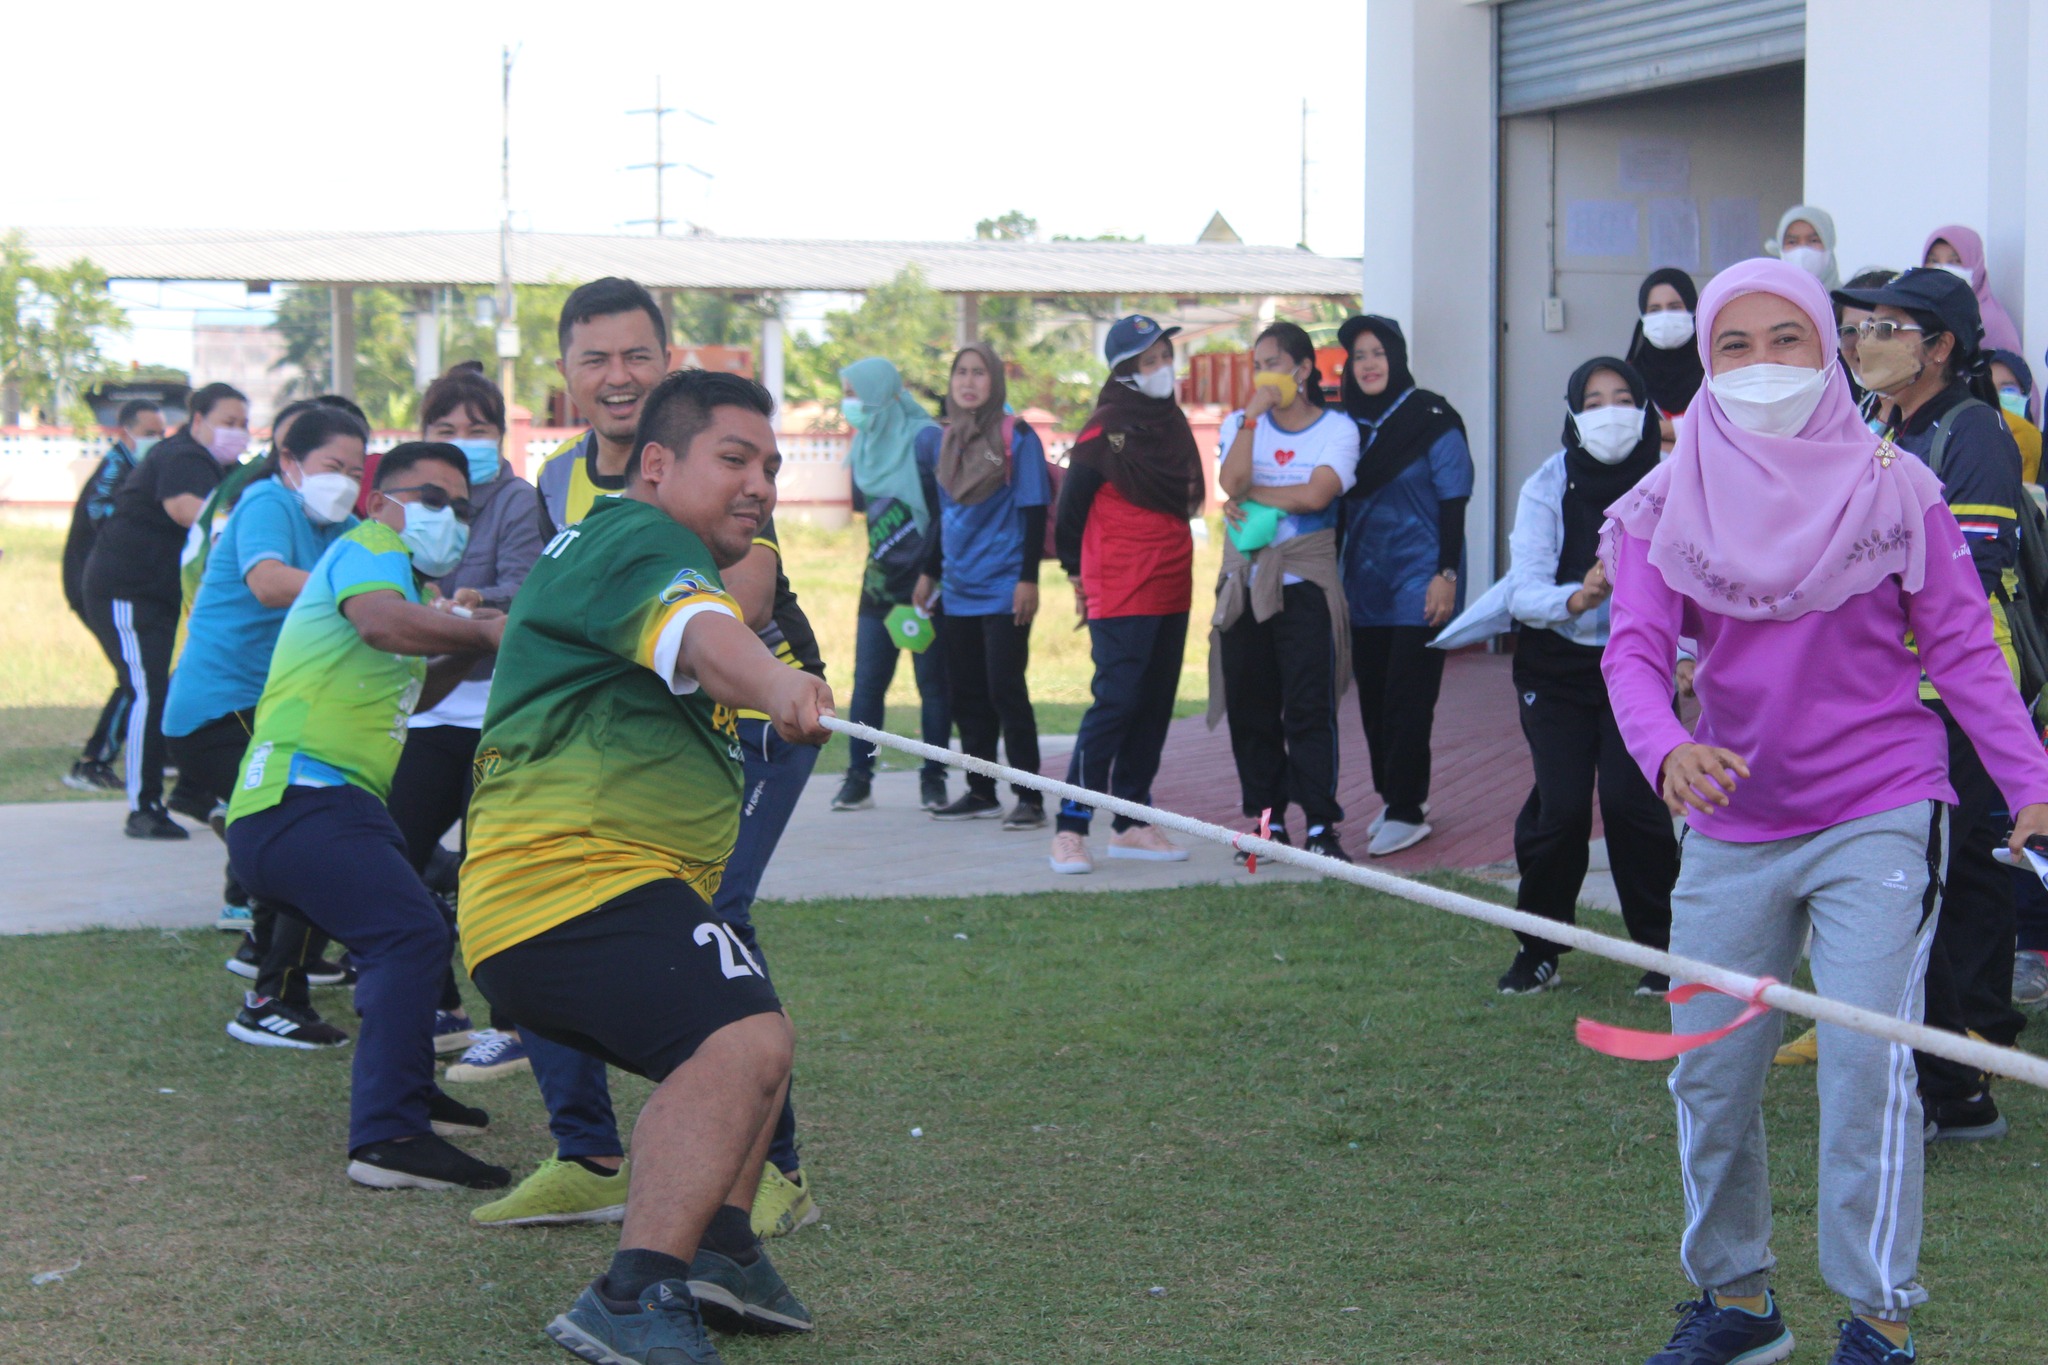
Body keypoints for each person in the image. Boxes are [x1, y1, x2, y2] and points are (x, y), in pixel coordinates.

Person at [1603, 258, 2048, 1365]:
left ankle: (1877, 1320)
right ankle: (1737, 1305)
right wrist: (1667, 749)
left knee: (1863, 1066)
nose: (1761, 366)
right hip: (1731, 824)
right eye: (1732, 347)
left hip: (1879, 810)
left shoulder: (1898, 487)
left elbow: (1963, 653)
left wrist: (2032, 786)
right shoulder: (1662, 502)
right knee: (1707, 1072)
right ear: (1703, 361)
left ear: (1827, 348)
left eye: (1786, 339)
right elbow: (1633, 652)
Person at [459, 369, 832, 1360]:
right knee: (740, 1045)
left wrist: (766, 687)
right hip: (564, 880)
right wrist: (777, 680)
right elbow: (707, 641)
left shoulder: (640, 552)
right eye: (734, 459)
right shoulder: (639, 538)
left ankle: (716, 1246)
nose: (759, 484)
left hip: (591, 884)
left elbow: (695, 644)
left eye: (772, 466)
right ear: (658, 465)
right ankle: (631, 1294)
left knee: (764, 1041)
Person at [223, 441, 511, 1191]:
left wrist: (470, 640)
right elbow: (385, 626)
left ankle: (408, 1095)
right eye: (435, 498)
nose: (451, 518)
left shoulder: (395, 575)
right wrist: (481, 631)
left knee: (417, 924)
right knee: (409, 933)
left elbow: (414, 687)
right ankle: (387, 1137)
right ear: (382, 498)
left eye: (463, 507)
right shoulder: (372, 547)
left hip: (319, 802)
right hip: (303, 795)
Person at [1830, 266, 2032, 1141]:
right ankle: (1933, 1070)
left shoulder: (1974, 428)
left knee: (1946, 886)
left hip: (1954, 693)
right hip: (1890, 694)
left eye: (1887, 326)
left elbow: (1971, 576)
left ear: (1940, 345)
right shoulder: (1883, 423)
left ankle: (1959, 1077)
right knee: (1903, 885)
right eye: (1863, 325)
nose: (1866, 341)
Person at [153, 404, 370, 1047]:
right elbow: (271, 584)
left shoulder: (343, 527)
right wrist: (361, 591)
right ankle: (270, 999)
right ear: (289, 463)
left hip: (272, 713)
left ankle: (267, 955)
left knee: (301, 829)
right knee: (307, 832)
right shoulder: (268, 506)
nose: (345, 481)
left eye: (356, 470)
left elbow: (389, 583)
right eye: (333, 466)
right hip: (217, 713)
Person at [1476, 358, 1675, 996]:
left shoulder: (1672, 481)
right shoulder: (1547, 483)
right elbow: (1523, 590)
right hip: (1556, 668)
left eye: (1623, 397)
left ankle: (1665, 953)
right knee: (1560, 810)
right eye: (1593, 401)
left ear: (1645, 411)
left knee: (1631, 804)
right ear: (1572, 414)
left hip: (1639, 668)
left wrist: (1693, 654)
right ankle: (1539, 949)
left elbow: (1699, 577)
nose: (1609, 411)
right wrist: (1580, 598)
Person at [1049, 313, 1208, 874]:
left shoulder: (1172, 423)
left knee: (1155, 701)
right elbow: (1069, 511)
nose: (1164, 367)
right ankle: (1070, 827)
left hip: (1172, 579)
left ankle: (1131, 821)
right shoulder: (1104, 428)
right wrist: (1074, 572)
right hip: (1119, 583)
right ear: (1126, 371)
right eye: (1150, 360)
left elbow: (1190, 497)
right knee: (1115, 702)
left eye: (1166, 356)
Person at [1210, 321, 1360, 863]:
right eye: (1256, 364)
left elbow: (1317, 495)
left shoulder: (1336, 429)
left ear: (1302, 370)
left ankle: (1321, 826)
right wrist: (1251, 419)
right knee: (1251, 709)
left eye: (1272, 363)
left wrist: (1259, 497)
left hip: (1305, 587)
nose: (1262, 374)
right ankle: (1268, 825)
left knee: (1307, 708)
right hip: (1246, 586)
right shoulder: (1239, 423)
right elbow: (1232, 485)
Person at [81, 381, 249, 838]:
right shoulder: (183, 457)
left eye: (244, 424)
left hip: (160, 597)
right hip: (126, 591)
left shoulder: (220, 467)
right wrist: (244, 527)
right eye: (227, 423)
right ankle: (142, 806)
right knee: (148, 692)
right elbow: (182, 509)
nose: (238, 433)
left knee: (178, 689)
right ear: (198, 421)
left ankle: (191, 792)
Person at [1336, 314, 1475, 857]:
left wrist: (1447, 575)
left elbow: (1453, 501)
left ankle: (1407, 806)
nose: (1368, 364)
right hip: (1365, 582)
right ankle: (1394, 796)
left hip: (1422, 579)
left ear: (1397, 357)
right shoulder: (1345, 424)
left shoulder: (1432, 417)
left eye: (1378, 353)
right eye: (1359, 356)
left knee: (1408, 698)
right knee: (1372, 697)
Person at [912, 341, 1050, 827]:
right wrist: (929, 572)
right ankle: (980, 790)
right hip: (958, 589)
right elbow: (942, 517)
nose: (968, 382)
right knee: (966, 693)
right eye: (960, 373)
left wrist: (1028, 579)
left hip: (1004, 586)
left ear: (995, 381)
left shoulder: (1019, 438)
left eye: (979, 373)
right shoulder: (945, 441)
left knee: (1006, 690)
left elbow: (1034, 509)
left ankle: (1030, 797)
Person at [832, 355, 952, 814]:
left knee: (934, 687)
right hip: (879, 585)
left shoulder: (926, 440)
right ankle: (859, 778)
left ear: (878, 393)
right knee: (867, 685)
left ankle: (933, 780)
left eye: (852, 393)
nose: (848, 404)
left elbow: (945, 512)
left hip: (926, 586)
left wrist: (932, 573)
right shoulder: (863, 446)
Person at [60, 398, 165, 791]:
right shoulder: (116, 467)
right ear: (125, 434)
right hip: (96, 587)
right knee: (135, 676)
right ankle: (92, 762)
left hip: (115, 587)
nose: (157, 441)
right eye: (149, 434)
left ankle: (156, 749)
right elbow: (101, 511)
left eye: (161, 434)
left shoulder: (137, 467)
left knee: (144, 673)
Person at [534, 276, 671, 537]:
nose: (618, 377)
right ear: (565, 373)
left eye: (636, 358)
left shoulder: (710, 462)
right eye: (596, 361)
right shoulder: (556, 475)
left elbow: (746, 578)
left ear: (666, 363)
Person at [1625, 268, 1703, 451]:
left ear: (1693, 310)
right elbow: (1623, 437)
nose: (1664, 316)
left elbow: (1728, 429)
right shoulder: (1629, 378)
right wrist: (1691, 431)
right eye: (1654, 310)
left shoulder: (1715, 370)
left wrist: (1654, 433)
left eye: (1675, 307)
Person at [1923, 224, 2021, 353]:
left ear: (1976, 266)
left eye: (1954, 262)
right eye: (1933, 261)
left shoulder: (1990, 322)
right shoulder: (1922, 314)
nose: (1942, 268)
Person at [1835, 269, 1899, 408]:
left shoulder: (1947, 423)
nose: (1862, 343)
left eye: (1878, 327)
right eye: (1850, 331)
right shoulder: (1860, 409)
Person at [1987, 349, 2041, 484]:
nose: (1997, 398)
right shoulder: (1965, 448)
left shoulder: (2043, 451)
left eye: (2008, 390)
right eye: (1989, 390)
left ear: (2026, 395)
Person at [1770, 204, 1843, 289]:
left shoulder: (1849, 300)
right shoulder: (1768, 299)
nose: (1802, 251)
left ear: (1829, 243)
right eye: (1792, 242)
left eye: (1813, 240)